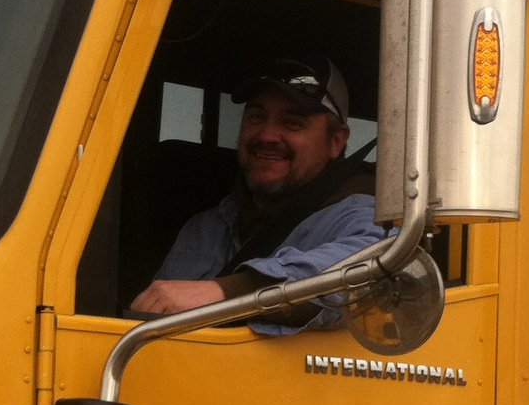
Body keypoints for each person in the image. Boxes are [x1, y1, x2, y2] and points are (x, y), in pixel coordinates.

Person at [131, 53, 380, 332]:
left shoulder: (367, 218)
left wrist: (227, 293)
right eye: (256, 117)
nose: (266, 135)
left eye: (292, 122)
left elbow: (373, 268)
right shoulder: (203, 229)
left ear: (336, 141)